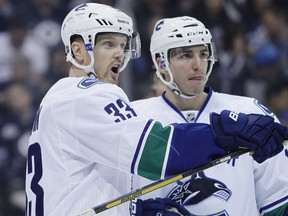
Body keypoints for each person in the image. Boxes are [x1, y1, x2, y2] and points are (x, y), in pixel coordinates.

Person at [24, 4, 288, 216]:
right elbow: (161, 151)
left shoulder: (66, 97)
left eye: (122, 45)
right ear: (78, 51)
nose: (119, 54)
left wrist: (136, 208)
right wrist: (229, 132)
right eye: (108, 44)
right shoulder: (86, 96)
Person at [130, 16, 288, 216]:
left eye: (203, 54)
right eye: (186, 55)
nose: (198, 65)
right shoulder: (133, 118)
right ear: (162, 64)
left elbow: (279, 203)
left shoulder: (250, 113)